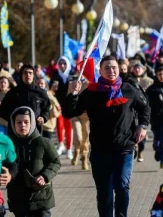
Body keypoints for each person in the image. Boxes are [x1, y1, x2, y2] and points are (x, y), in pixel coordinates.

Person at [63, 55, 151, 217]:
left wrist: (142, 126)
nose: (111, 71)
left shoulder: (128, 88)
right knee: (105, 192)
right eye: (107, 68)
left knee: (122, 186)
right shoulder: (91, 92)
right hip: (100, 150)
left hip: (124, 147)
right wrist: (73, 93)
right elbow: (69, 112)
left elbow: (145, 108)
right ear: (100, 71)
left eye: (114, 67)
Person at [7, 106, 61, 217]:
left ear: (32, 123)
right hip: (18, 199)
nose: (23, 125)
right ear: (13, 124)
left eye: (26, 122)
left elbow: (55, 162)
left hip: (40, 199)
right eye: (19, 122)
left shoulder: (43, 142)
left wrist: (45, 176)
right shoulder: (8, 144)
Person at [0, 64, 50, 138]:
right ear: (21, 75)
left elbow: (46, 109)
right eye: (25, 73)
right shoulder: (12, 93)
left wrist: (43, 117)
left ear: (33, 75)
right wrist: (15, 120)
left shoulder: (41, 93)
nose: (28, 75)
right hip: (16, 133)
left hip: (35, 132)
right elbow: (2, 112)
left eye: (30, 73)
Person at [50, 56, 74, 159]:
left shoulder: (72, 75)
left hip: (69, 106)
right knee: (59, 126)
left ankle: (69, 149)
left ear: (68, 64)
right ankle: (61, 145)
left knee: (69, 128)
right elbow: (50, 91)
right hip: (58, 106)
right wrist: (52, 88)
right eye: (60, 63)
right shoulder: (55, 75)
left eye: (64, 63)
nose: (62, 65)